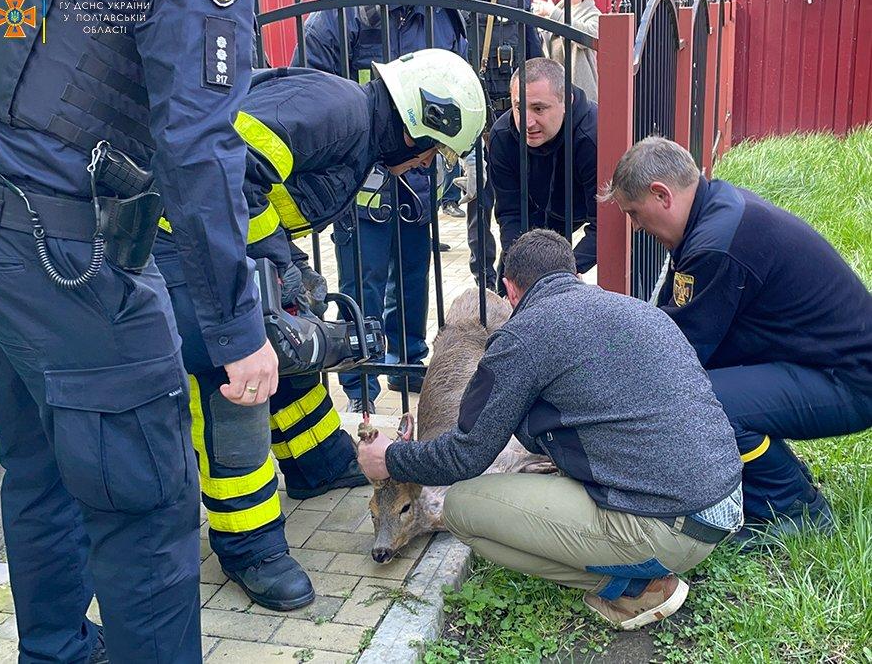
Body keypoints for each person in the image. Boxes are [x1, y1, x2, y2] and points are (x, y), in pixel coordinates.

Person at [0, 0, 267, 660]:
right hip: (65, 244)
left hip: (4, 231)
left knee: (41, 471)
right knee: (148, 501)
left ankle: (57, 652)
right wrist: (238, 327)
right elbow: (198, 143)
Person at [153, 49, 486, 610]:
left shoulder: (352, 134)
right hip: (185, 250)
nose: (429, 167)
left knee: (292, 346)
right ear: (416, 124)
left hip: (223, 250)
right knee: (233, 385)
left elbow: (265, 197)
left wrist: (290, 274)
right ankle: (247, 545)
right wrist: (275, 266)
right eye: (432, 153)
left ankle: (315, 463)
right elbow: (221, 171)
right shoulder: (337, 114)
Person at [357, 229, 743, 629]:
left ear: (509, 290)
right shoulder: (637, 310)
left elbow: (465, 454)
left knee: (461, 508)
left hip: (670, 530)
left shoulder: (524, 337)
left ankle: (633, 589)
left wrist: (388, 457)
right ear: (574, 274)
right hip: (725, 506)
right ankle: (634, 559)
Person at [602, 137, 872, 545]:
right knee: (701, 391)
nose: (636, 227)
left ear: (662, 195)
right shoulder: (714, 211)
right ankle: (784, 478)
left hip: (851, 381)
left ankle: (797, 509)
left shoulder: (716, 245)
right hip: (826, 365)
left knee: (701, 402)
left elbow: (679, 357)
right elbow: (668, 325)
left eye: (634, 213)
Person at [295, 0, 468, 408]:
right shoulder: (339, 15)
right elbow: (313, 95)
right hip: (359, 180)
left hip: (420, 175)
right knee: (361, 285)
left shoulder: (445, 12)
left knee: (413, 276)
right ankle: (360, 384)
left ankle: (406, 364)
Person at [450, 0, 544, 289]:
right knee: (479, 201)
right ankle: (484, 280)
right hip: (473, 122)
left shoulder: (518, 2)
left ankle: (512, 275)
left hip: (512, 123)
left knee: (515, 202)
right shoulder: (451, 2)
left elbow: (535, 61)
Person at [488, 58, 597, 292]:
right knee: (511, 277)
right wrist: (522, 271)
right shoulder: (502, 136)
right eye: (519, 107)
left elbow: (604, 224)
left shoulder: (592, 136)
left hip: (579, 208)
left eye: (538, 108)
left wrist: (564, 272)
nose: (527, 122)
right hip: (531, 214)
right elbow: (510, 213)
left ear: (566, 101)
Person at [532, 0, 601, 103]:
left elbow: (586, 37)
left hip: (579, 93)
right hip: (553, 88)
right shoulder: (558, 11)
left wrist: (553, 13)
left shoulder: (593, 14)